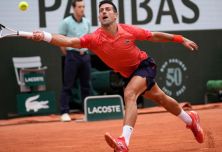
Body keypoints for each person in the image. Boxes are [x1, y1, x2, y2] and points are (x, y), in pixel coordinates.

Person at [29, 0, 204, 151]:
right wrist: (43, 36)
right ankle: (190, 119)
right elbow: (69, 41)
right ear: (99, 17)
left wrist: (181, 39)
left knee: (129, 94)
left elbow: (155, 36)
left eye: (107, 9)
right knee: (161, 98)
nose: (103, 12)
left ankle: (123, 142)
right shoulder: (94, 38)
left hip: (144, 66)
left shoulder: (128, 30)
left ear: (115, 15)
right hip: (128, 74)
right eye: (101, 10)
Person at [58, 0, 92, 122]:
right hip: (72, 56)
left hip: (85, 56)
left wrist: (84, 50)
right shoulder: (66, 22)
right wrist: (68, 53)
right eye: (79, 7)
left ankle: (87, 111)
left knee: (86, 86)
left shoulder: (87, 22)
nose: (82, 9)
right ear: (74, 8)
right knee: (68, 85)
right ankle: (64, 112)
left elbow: (89, 39)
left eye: (83, 6)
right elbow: (60, 40)